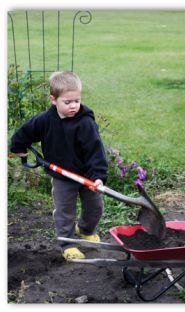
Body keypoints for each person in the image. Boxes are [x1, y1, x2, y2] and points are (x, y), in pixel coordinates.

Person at [10, 71, 108, 261]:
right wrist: (18, 148)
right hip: (63, 178)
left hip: (87, 175)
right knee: (64, 211)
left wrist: (98, 176)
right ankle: (68, 243)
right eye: (68, 102)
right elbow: (24, 132)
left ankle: (86, 230)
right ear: (53, 100)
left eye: (77, 101)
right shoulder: (45, 120)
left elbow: (96, 151)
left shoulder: (85, 123)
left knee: (95, 207)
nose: (73, 106)